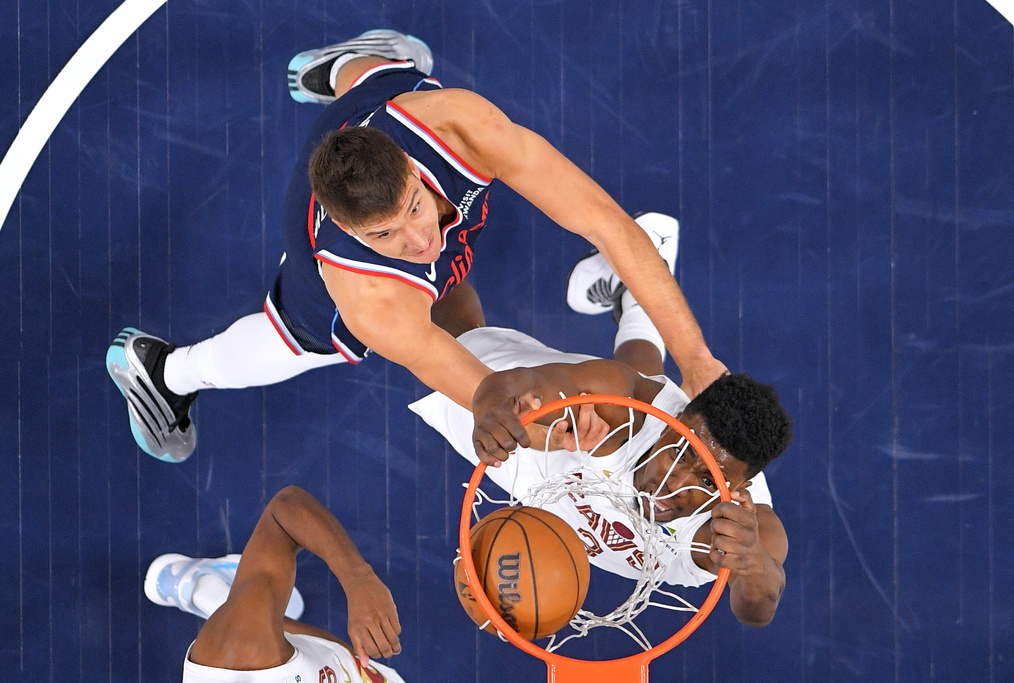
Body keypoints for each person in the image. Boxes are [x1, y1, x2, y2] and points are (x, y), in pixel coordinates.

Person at [105, 29, 725, 463]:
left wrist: (695, 359)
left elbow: (613, 227)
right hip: (333, 266)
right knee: (306, 338)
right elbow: (480, 389)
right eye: (385, 235)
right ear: (351, 233)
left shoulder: (457, 125)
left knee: (396, 83)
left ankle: (356, 63)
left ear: (411, 169)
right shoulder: (366, 296)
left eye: (413, 209)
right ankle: (166, 373)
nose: (418, 240)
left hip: (371, 116)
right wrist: (546, 434)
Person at [410, 222, 793, 627]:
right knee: (448, 339)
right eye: (680, 452)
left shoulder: (739, 530)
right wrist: (493, 406)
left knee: (640, 375)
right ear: (675, 420)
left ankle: (635, 287)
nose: (676, 482)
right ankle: (418, 242)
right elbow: (526, 383)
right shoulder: (621, 407)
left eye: (706, 477)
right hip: (551, 448)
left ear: (737, 488)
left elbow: (758, 608)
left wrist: (751, 566)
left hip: (585, 470)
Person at [145, 485, 405, 681]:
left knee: (258, 620)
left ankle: (205, 589)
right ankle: (224, 598)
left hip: (246, 646)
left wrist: (359, 579)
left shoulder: (239, 654)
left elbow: (283, 514)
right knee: (342, 663)